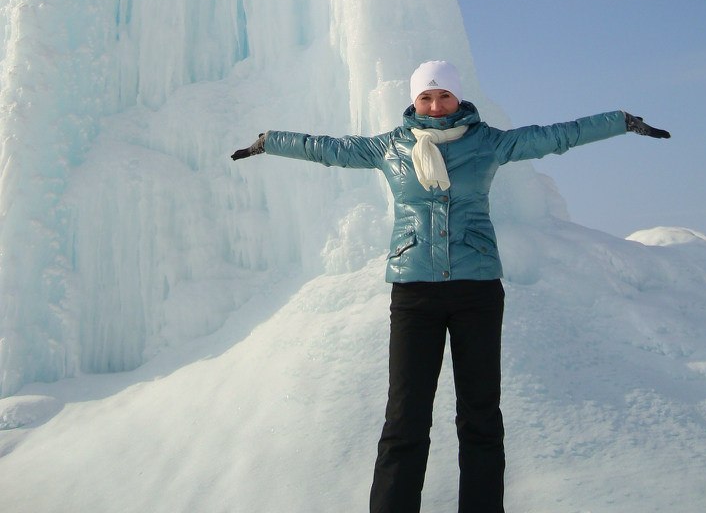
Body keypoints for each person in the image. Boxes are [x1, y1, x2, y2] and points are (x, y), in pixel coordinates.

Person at [231, 60, 670, 513]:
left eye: (444, 96)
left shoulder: (489, 143)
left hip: (476, 291)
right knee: (404, 419)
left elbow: (556, 136)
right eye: (426, 97)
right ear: (414, 101)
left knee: (480, 417)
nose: (436, 106)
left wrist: (621, 122)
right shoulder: (392, 147)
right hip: (414, 294)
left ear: (459, 98)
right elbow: (331, 149)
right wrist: (271, 141)